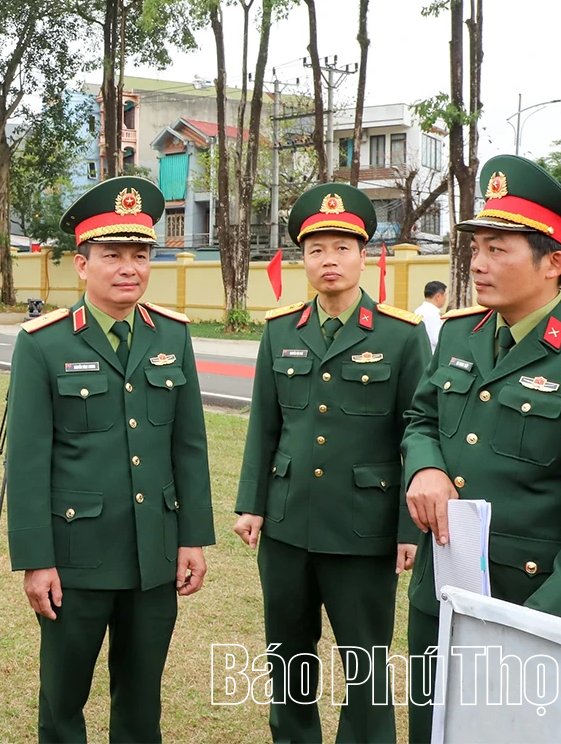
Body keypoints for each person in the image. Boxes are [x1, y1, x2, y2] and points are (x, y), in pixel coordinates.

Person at [5, 177, 215, 743]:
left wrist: (192, 538)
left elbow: (189, 445)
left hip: (154, 553)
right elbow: (27, 462)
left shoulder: (171, 336)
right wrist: (36, 561)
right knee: (63, 699)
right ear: (82, 264)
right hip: (77, 557)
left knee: (142, 701)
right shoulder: (44, 343)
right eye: (113, 255)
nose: (129, 268)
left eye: (140, 255)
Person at [402, 154, 561, 742]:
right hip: (442, 592)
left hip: (534, 608)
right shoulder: (460, 333)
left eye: (497, 249)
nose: (477, 264)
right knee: (431, 728)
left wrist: (536, 623)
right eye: (475, 248)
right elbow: (421, 418)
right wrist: (426, 467)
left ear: (553, 262)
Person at [233, 183, 429, 744]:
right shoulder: (280, 330)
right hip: (288, 525)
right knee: (288, 658)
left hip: (363, 529)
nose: (329, 260)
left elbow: (418, 433)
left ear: (364, 256)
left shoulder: (401, 335)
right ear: (303, 258)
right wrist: (252, 504)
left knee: (365, 661)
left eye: (342, 248)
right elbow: (264, 426)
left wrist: (408, 528)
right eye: (316, 249)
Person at [414, 280, 447, 352]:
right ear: (438, 296)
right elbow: (436, 339)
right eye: (445, 295)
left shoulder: (418, 310)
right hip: (431, 353)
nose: (445, 299)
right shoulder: (432, 313)